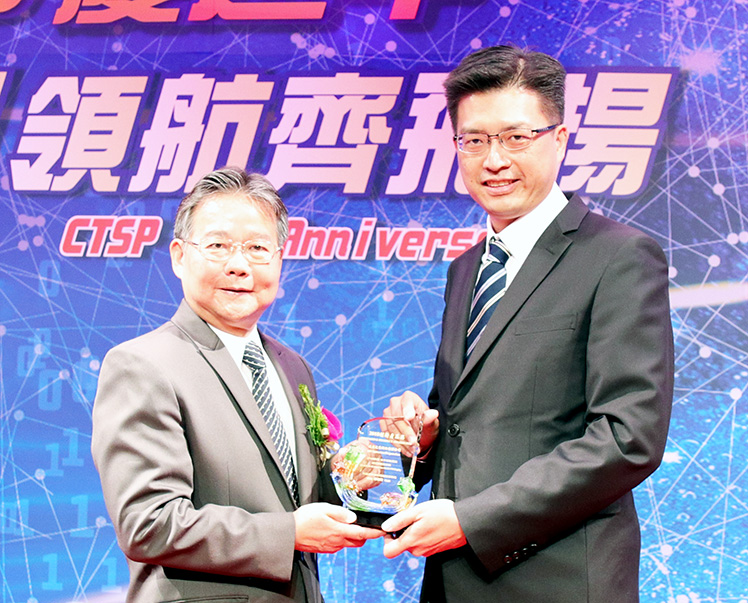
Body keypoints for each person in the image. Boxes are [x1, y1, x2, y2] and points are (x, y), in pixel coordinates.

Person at [379, 45, 674, 602]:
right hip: (454, 580)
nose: (493, 160)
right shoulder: (466, 268)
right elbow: (467, 414)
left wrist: (473, 520)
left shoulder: (618, 257)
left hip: (558, 580)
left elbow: (627, 435)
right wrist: (423, 437)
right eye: (474, 140)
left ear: (558, 139)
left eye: (517, 137)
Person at [91, 167, 381, 602]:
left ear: (279, 259)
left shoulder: (293, 367)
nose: (239, 266)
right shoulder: (143, 365)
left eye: (257, 248)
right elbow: (149, 523)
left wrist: (360, 474)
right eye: (218, 246)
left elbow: (303, 501)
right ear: (179, 256)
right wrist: (289, 533)